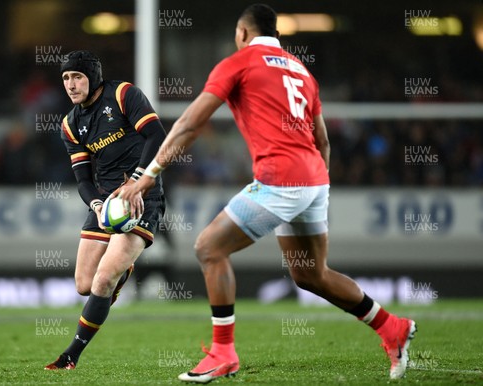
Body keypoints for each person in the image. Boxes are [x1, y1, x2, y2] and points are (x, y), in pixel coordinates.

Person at [119, 4, 416, 383]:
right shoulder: (301, 71)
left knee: (209, 248)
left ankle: (223, 352)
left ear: (243, 33)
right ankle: (393, 328)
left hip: (282, 178)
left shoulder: (239, 62)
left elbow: (191, 123)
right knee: (311, 274)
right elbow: (322, 139)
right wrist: (315, 187)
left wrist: (149, 173)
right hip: (314, 178)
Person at [44, 50, 166, 370]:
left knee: (102, 282)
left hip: (142, 197)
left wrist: (138, 181)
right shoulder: (70, 124)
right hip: (106, 203)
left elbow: (157, 136)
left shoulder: (124, 94)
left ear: (93, 77)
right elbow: (82, 179)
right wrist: (97, 205)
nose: (71, 84)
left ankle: (70, 355)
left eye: (77, 77)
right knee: (84, 285)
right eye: (66, 78)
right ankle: (124, 268)